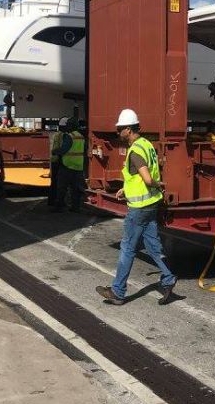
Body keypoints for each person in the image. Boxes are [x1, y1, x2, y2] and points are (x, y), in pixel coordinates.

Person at [96, 108, 177, 306]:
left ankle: (118, 291)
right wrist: (125, 188)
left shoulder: (135, 151)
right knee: (152, 245)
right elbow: (139, 177)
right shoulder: (146, 144)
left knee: (127, 248)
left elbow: (148, 179)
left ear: (129, 130)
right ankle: (168, 279)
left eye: (120, 129)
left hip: (139, 208)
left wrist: (158, 184)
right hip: (151, 204)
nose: (118, 132)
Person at [55, 117, 86, 213]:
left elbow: (64, 149)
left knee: (61, 187)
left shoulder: (69, 136)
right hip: (78, 167)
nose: (66, 126)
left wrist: (55, 151)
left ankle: (60, 207)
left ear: (71, 126)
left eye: (68, 124)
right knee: (75, 189)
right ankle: (75, 207)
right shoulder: (81, 137)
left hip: (67, 166)